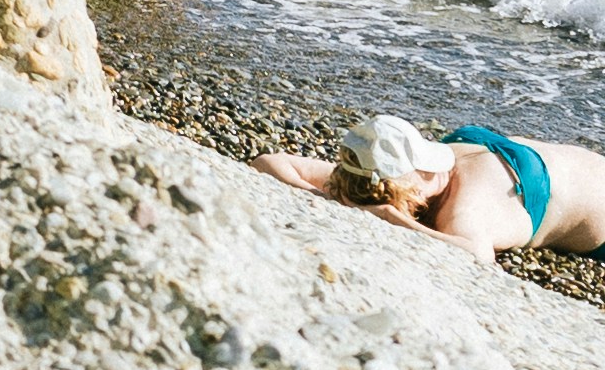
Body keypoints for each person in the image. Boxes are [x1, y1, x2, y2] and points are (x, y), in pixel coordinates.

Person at [257, 115, 605, 267]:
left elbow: (476, 254)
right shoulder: (368, 180)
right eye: (423, 168)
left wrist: (392, 218)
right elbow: (268, 162)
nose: (435, 168)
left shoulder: (464, 204)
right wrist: (330, 200)